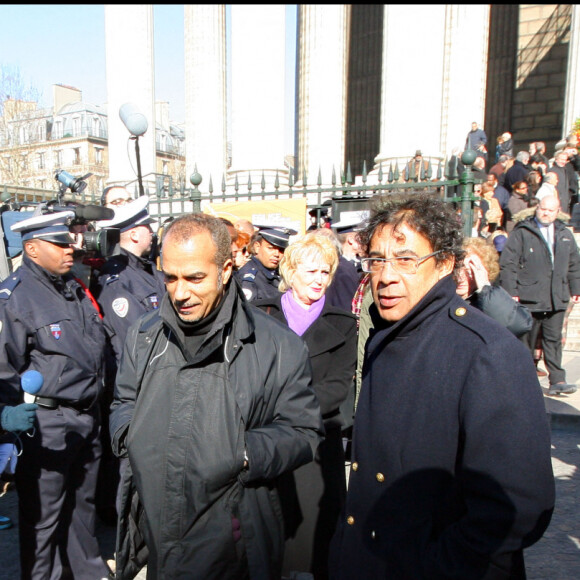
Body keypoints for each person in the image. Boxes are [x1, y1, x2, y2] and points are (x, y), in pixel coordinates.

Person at [329, 193, 555, 579]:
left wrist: (433, 566)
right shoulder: (388, 334)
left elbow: (518, 505)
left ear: (444, 264)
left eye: (405, 260)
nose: (385, 276)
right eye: (377, 260)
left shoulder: (486, 351)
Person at [109, 213, 324, 580]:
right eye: (170, 278)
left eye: (194, 278)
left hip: (235, 535)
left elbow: (303, 431)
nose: (179, 293)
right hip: (160, 530)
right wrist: (134, 438)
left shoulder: (277, 345)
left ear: (225, 270)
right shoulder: (143, 337)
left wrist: (240, 453)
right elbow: (123, 403)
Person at [0, 211, 110, 579]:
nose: (71, 248)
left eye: (69, 241)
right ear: (32, 248)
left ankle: (88, 573)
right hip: (47, 423)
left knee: (83, 508)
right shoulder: (15, 297)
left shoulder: (72, 287)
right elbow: (4, 370)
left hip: (86, 416)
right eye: (60, 243)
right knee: (43, 520)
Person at [254, 233, 357, 580]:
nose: (318, 280)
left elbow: (338, 386)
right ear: (291, 271)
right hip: (266, 440)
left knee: (315, 540)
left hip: (316, 444)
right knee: (269, 533)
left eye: (325, 273)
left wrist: (289, 408)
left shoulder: (343, 324)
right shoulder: (257, 316)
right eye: (311, 271)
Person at [500, 194, 580, 396]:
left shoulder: (564, 233)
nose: (545, 213)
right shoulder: (522, 232)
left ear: (557, 211)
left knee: (553, 340)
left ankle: (557, 380)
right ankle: (524, 380)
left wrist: (575, 288)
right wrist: (512, 291)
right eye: (543, 209)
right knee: (525, 341)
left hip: (556, 297)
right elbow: (508, 263)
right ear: (537, 208)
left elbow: (574, 264)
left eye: (550, 210)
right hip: (529, 296)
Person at [456, 237, 532, 337]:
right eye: (457, 268)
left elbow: (519, 325)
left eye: (469, 271)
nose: (460, 277)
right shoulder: (443, 296)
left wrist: (484, 288)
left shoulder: (488, 300)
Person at [236, 225, 297, 301]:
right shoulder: (249, 277)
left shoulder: (280, 273)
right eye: (271, 248)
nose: (276, 254)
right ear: (257, 247)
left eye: (281, 250)